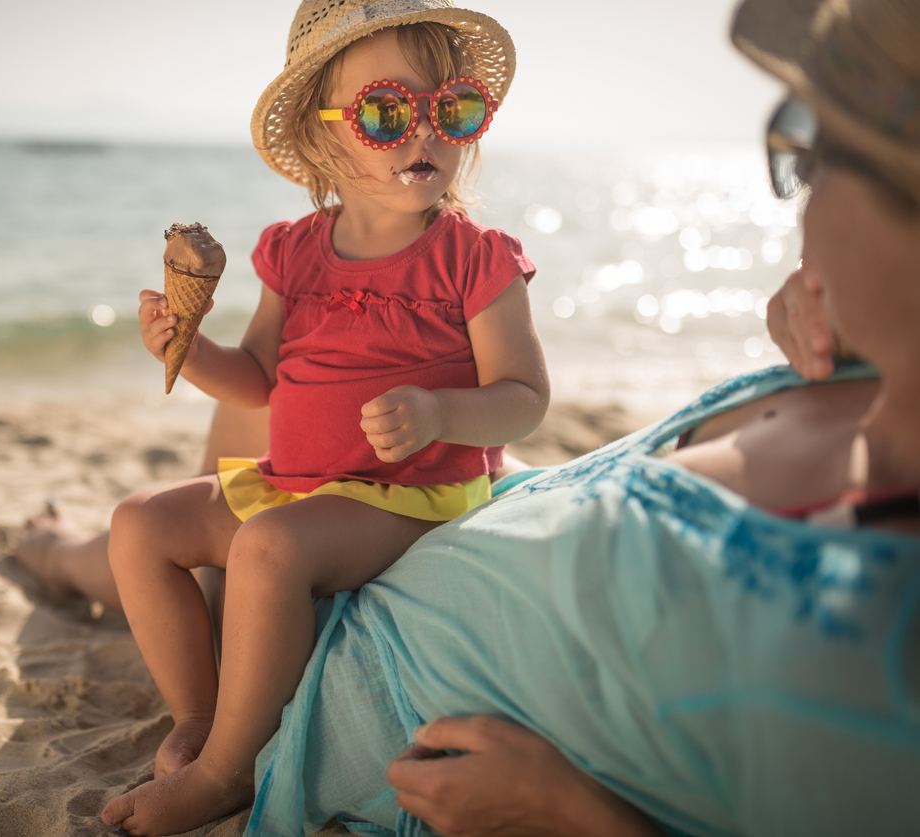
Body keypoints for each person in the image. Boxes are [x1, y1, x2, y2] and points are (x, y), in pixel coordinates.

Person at [243, 0, 920, 835]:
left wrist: (571, 812)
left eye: (812, 145)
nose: (800, 193)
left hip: (329, 653)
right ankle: (66, 551)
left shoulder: (880, 638)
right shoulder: (860, 372)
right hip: (461, 510)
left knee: (208, 543)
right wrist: (871, 320)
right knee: (209, 493)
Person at [94, 2, 550, 833]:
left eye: (453, 108)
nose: (426, 133)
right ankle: (200, 714)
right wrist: (189, 349)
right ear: (322, 133)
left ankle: (226, 774)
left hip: (407, 498)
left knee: (269, 548)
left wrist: (444, 410)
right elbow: (260, 379)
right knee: (138, 523)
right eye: (386, 111)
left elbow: (525, 397)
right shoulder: (294, 249)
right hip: (296, 483)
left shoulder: (476, 257)